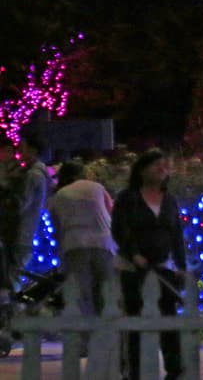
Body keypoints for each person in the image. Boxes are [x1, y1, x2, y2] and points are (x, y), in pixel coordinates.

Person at [112, 149, 186, 380]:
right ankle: (134, 370)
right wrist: (134, 254)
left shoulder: (170, 200)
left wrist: (181, 266)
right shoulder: (128, 197)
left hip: (163, 267)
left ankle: (175, 369)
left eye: (165, 166)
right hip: (134, 268)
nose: (162, 170)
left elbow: (176, 234)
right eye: (156, 165)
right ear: (142, 169)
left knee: (168, 317)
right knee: (135, 318)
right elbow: (120, 229)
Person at [49, 160, 116, 378]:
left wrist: (61, 255)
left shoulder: (57, 197)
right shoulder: (97, 188)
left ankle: (85, 344)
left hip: (74, 245)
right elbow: (111, 211)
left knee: (82, 297)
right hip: (104, 245)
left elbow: (57, 228)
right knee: (104, 295)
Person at [0, 126, 49, 349]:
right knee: (14, 279)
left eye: (22, 148)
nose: (20, 152)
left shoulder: (32, 175)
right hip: (23, 233)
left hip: (20, 233)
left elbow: (19, 205)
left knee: (13, 280)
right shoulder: (35, 173)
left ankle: (16, 327)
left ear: (33, 150)